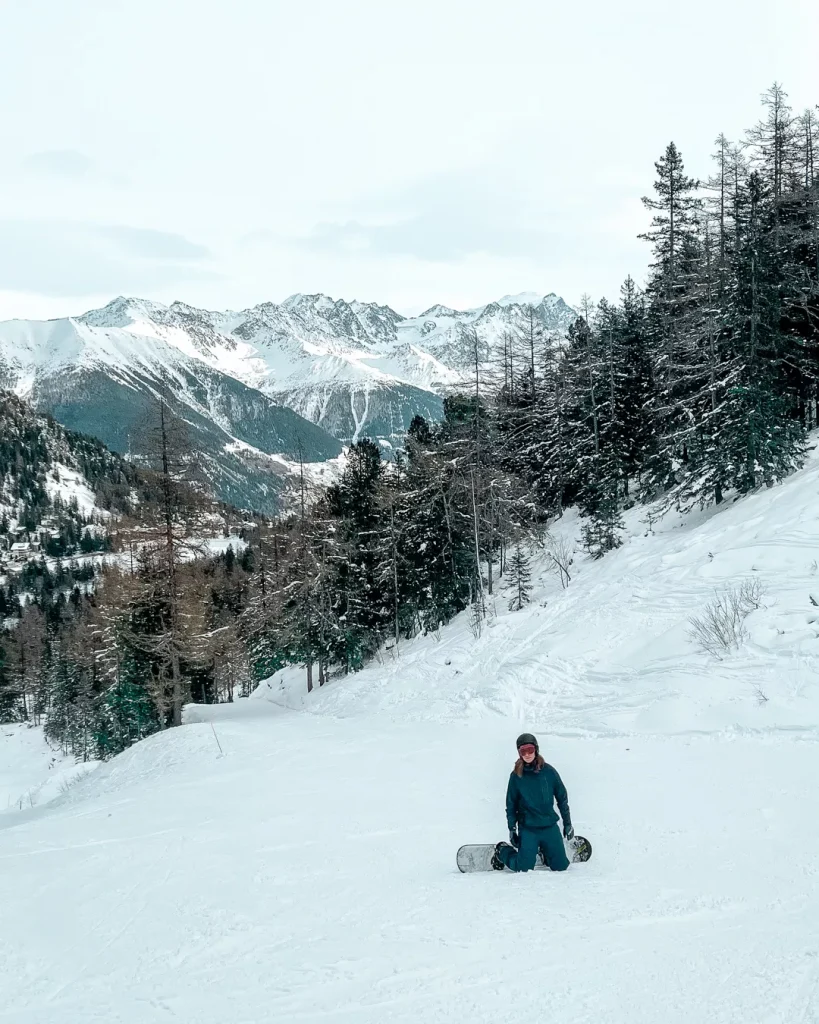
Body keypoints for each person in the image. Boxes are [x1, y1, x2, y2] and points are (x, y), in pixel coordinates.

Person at [492, 733, 574, 872]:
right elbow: (510, 805)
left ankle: (545, 852)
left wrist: (567, 823)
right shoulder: (516, 776)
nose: (527, 754)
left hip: (549, 826)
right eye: (523, 751)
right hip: (529, 828)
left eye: (530, 749)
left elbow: (562, 798)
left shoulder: (549, 772)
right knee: (523, 868)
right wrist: (512, 829)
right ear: (519, 753)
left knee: (561, 866)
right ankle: (502, 851)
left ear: (536, 749)